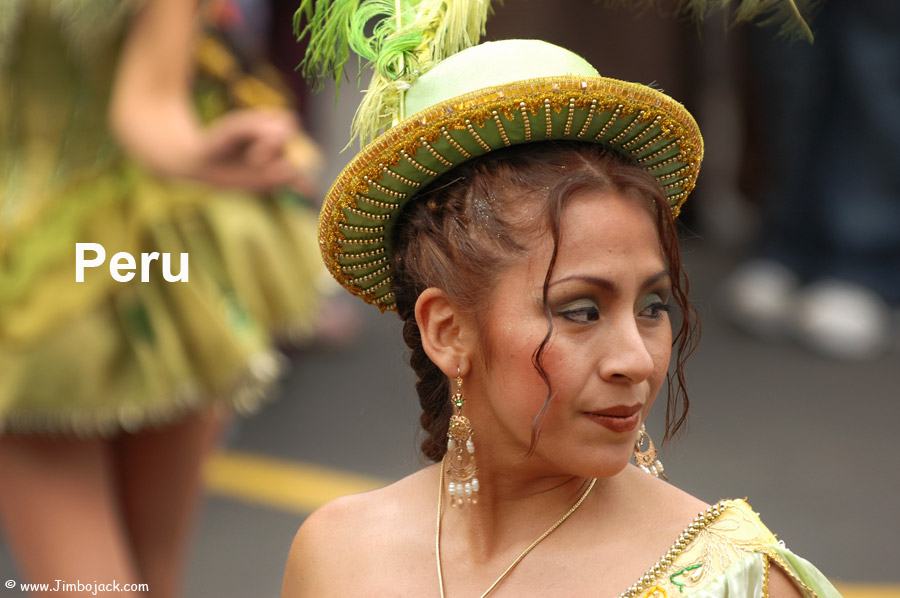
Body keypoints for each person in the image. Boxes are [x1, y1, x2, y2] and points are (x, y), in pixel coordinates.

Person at [280, 25, 841, 598]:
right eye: (580, 311)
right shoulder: (339, 556)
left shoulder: (736, 581)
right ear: (447, 331)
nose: (636, 361)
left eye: (653, 306)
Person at [0, 0, 324, 595]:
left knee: (142, 580)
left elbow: (149, 105)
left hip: (152, 249)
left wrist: (200, 156)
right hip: (92, 267)